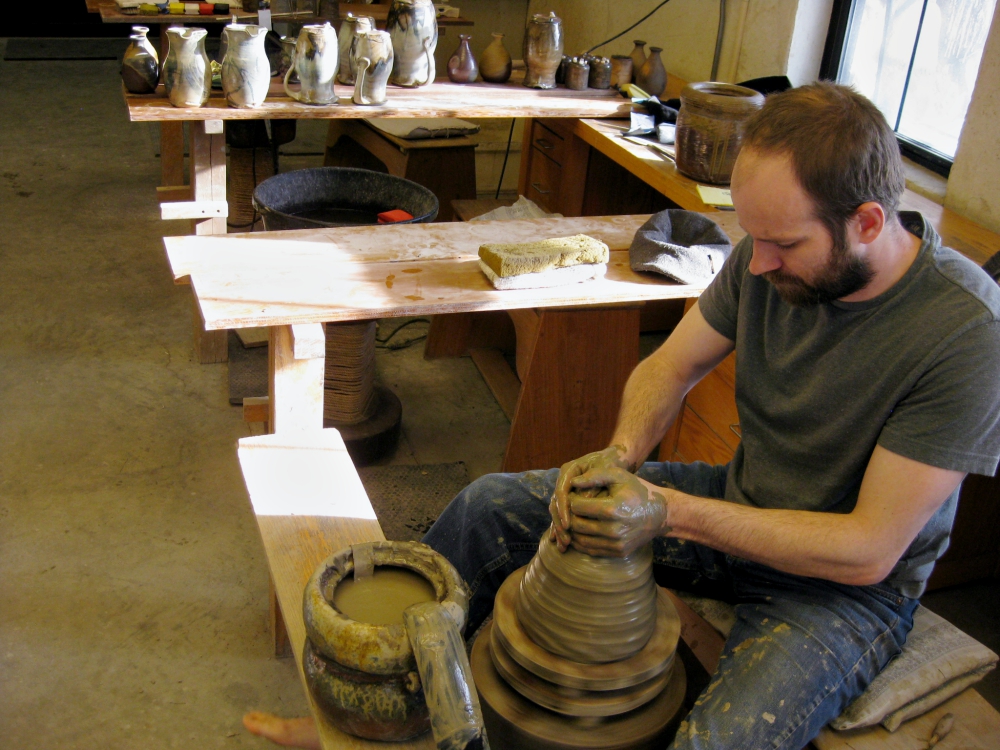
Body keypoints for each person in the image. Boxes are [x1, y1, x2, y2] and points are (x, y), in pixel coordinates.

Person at [245, 82, 1000, 749]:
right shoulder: (762, 257)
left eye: (782, 244)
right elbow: (669, 365)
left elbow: (867, 549)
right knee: (486, 508)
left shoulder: (964, 331)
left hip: (843, 593)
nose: (760, 263)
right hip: (739, 503)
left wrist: (667, 513)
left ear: (869, 221)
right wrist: (622, 457)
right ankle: (388, 716)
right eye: (754, 238)